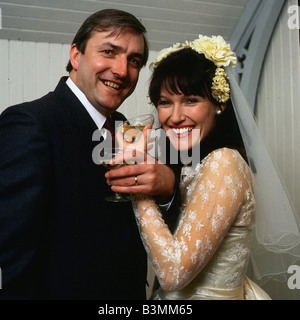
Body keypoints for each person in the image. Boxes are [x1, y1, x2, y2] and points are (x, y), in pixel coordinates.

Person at [0, 9, 177, 299]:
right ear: (76, 55)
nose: (121, 70)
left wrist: (168, 190)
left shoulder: (125, 128)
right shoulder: (30, 123)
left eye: (134, 61)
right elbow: (5, 256)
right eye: (109, 51)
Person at [106, 35, 300, 300]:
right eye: (165, 102)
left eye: (191, 100)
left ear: (219, 103)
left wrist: (138, 186)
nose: (174, 117)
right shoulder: (191, 164)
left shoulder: (225, 162)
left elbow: (173, 274)